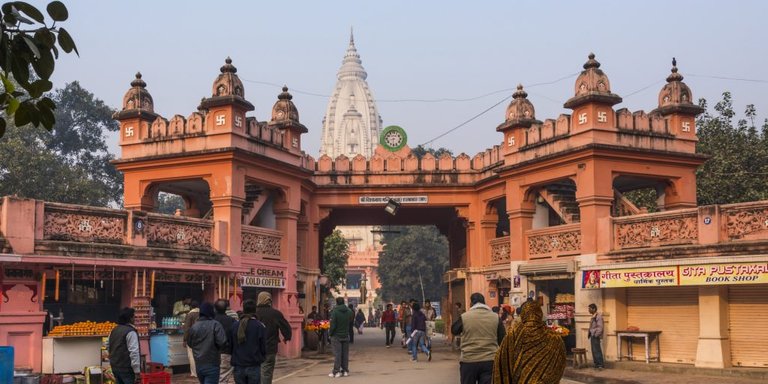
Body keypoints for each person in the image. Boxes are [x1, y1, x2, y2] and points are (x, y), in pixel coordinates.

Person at [492, 300, 565, 384]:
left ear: (523, 314)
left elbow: (502, 363)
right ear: (540, 314)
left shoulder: (513, 335)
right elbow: (560, 365)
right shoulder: (555, 338)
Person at [451, 293, 505, 384]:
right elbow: (503, 340)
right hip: (490, 361)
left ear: (471, 304)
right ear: (484, 303)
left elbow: (454, 330)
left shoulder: (465, 317)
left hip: (469, 360)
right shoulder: (495, 317)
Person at [253, 292, 292, 384]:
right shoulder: (275, 313)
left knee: (254, 372)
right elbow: (285, 326)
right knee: (266, 372)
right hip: (269, 348)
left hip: (254, 349)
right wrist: (287, 337)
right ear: (269, 301)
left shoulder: (253, 313)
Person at [187, 302, 229, 384]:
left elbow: (190, 343)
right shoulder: (215, 325)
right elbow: (222, 342)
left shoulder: (194, 327)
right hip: (212, 363)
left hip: (199, 364)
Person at [230, 299, 266, 384]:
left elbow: (231, 345)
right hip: (253, 364)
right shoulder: (259, 326)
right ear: (255, 310)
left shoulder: (235, 326)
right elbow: (263, 347)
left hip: (238, 364)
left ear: (243, 310)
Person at [108, 308, 141, 384]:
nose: (135, 319)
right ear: (130, 318)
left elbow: (108, 345)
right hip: (127, 369)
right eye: (134, 317)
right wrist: (137, 371)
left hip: (115, 367)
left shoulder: (114, 330)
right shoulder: (130, 332)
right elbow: (134, 352)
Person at [328, 297, 352, 378]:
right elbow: (351, 320)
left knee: (337, 354)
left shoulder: (335, 312)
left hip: (336, 336)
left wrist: (330, 333)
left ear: (337, 303)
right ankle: (345, 371)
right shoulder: (349, 311)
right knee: (345, 354)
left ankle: (336, 371)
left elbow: (333, 325)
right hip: (345, 334)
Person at [214, 300, 237, 384]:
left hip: (210, 354)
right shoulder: (232, 321)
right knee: (223, 378)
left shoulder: (210, 320)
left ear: (215, 309)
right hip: (226, 353)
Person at [183, 301, 201, 378]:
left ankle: (194, 373)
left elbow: (187, 328)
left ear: (191, 307)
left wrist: (184, 339)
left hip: (192, 338)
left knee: (191, 355)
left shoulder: (190, 314)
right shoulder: (202, 313)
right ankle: (200, 371)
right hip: (201, 337)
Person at [588, 303, 605, 370]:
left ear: (594, 309)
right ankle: (597, 364)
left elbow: (600, 327)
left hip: (595, 336)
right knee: (594, 350)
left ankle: (600, 365)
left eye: (590, 309)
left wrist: (596, 335)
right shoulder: (593, 316)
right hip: (593, 335)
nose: (589, 310)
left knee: (597, 350)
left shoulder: (598, 316)